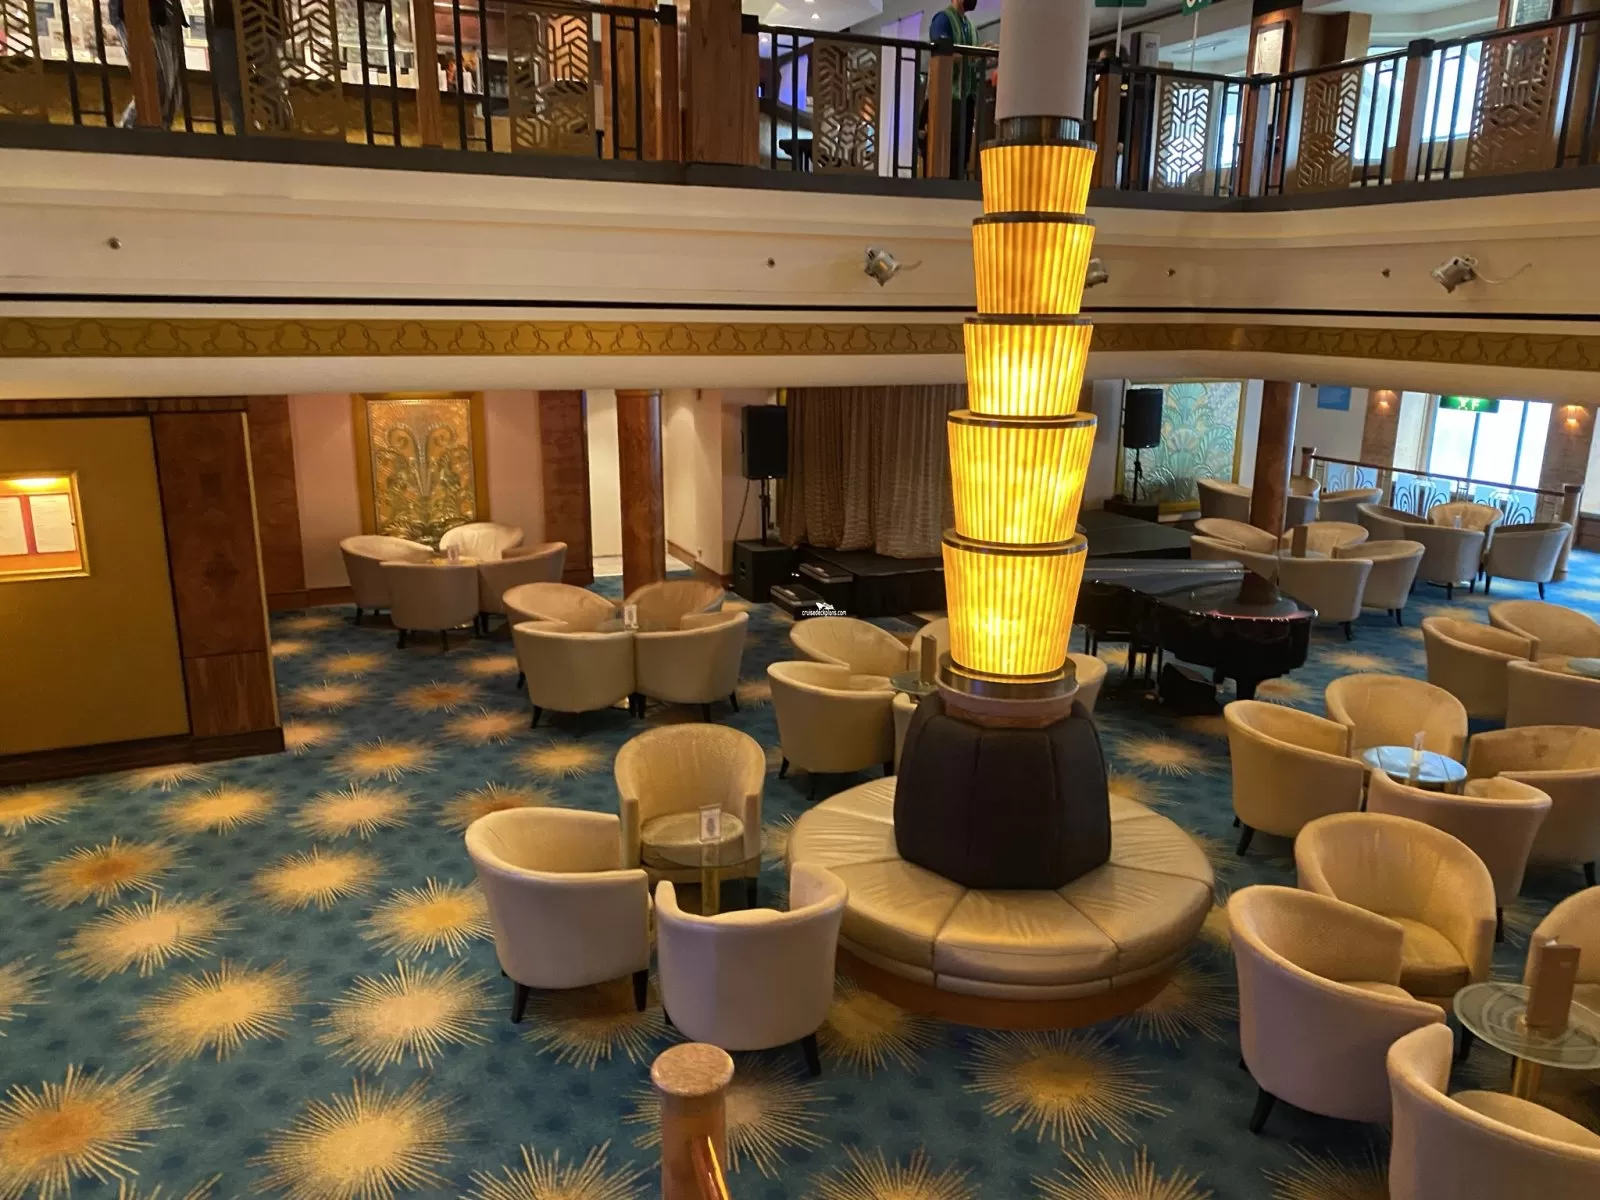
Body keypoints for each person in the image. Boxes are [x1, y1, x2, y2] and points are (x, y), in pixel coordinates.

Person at [110, 0, 187, 129]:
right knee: (156, 91)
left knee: (172, 96)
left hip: (162, 11)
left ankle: (152, 136)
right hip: (145, 12)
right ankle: (130, 134)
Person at [929, 0, 981, 179]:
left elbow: (972, 60)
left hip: (967, 97)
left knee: (962, 153)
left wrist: (984, 56)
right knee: (947, 152)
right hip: (948, 96)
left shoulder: (971, 27)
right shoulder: (943, 19)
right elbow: (942, 54)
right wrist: (973, 55)